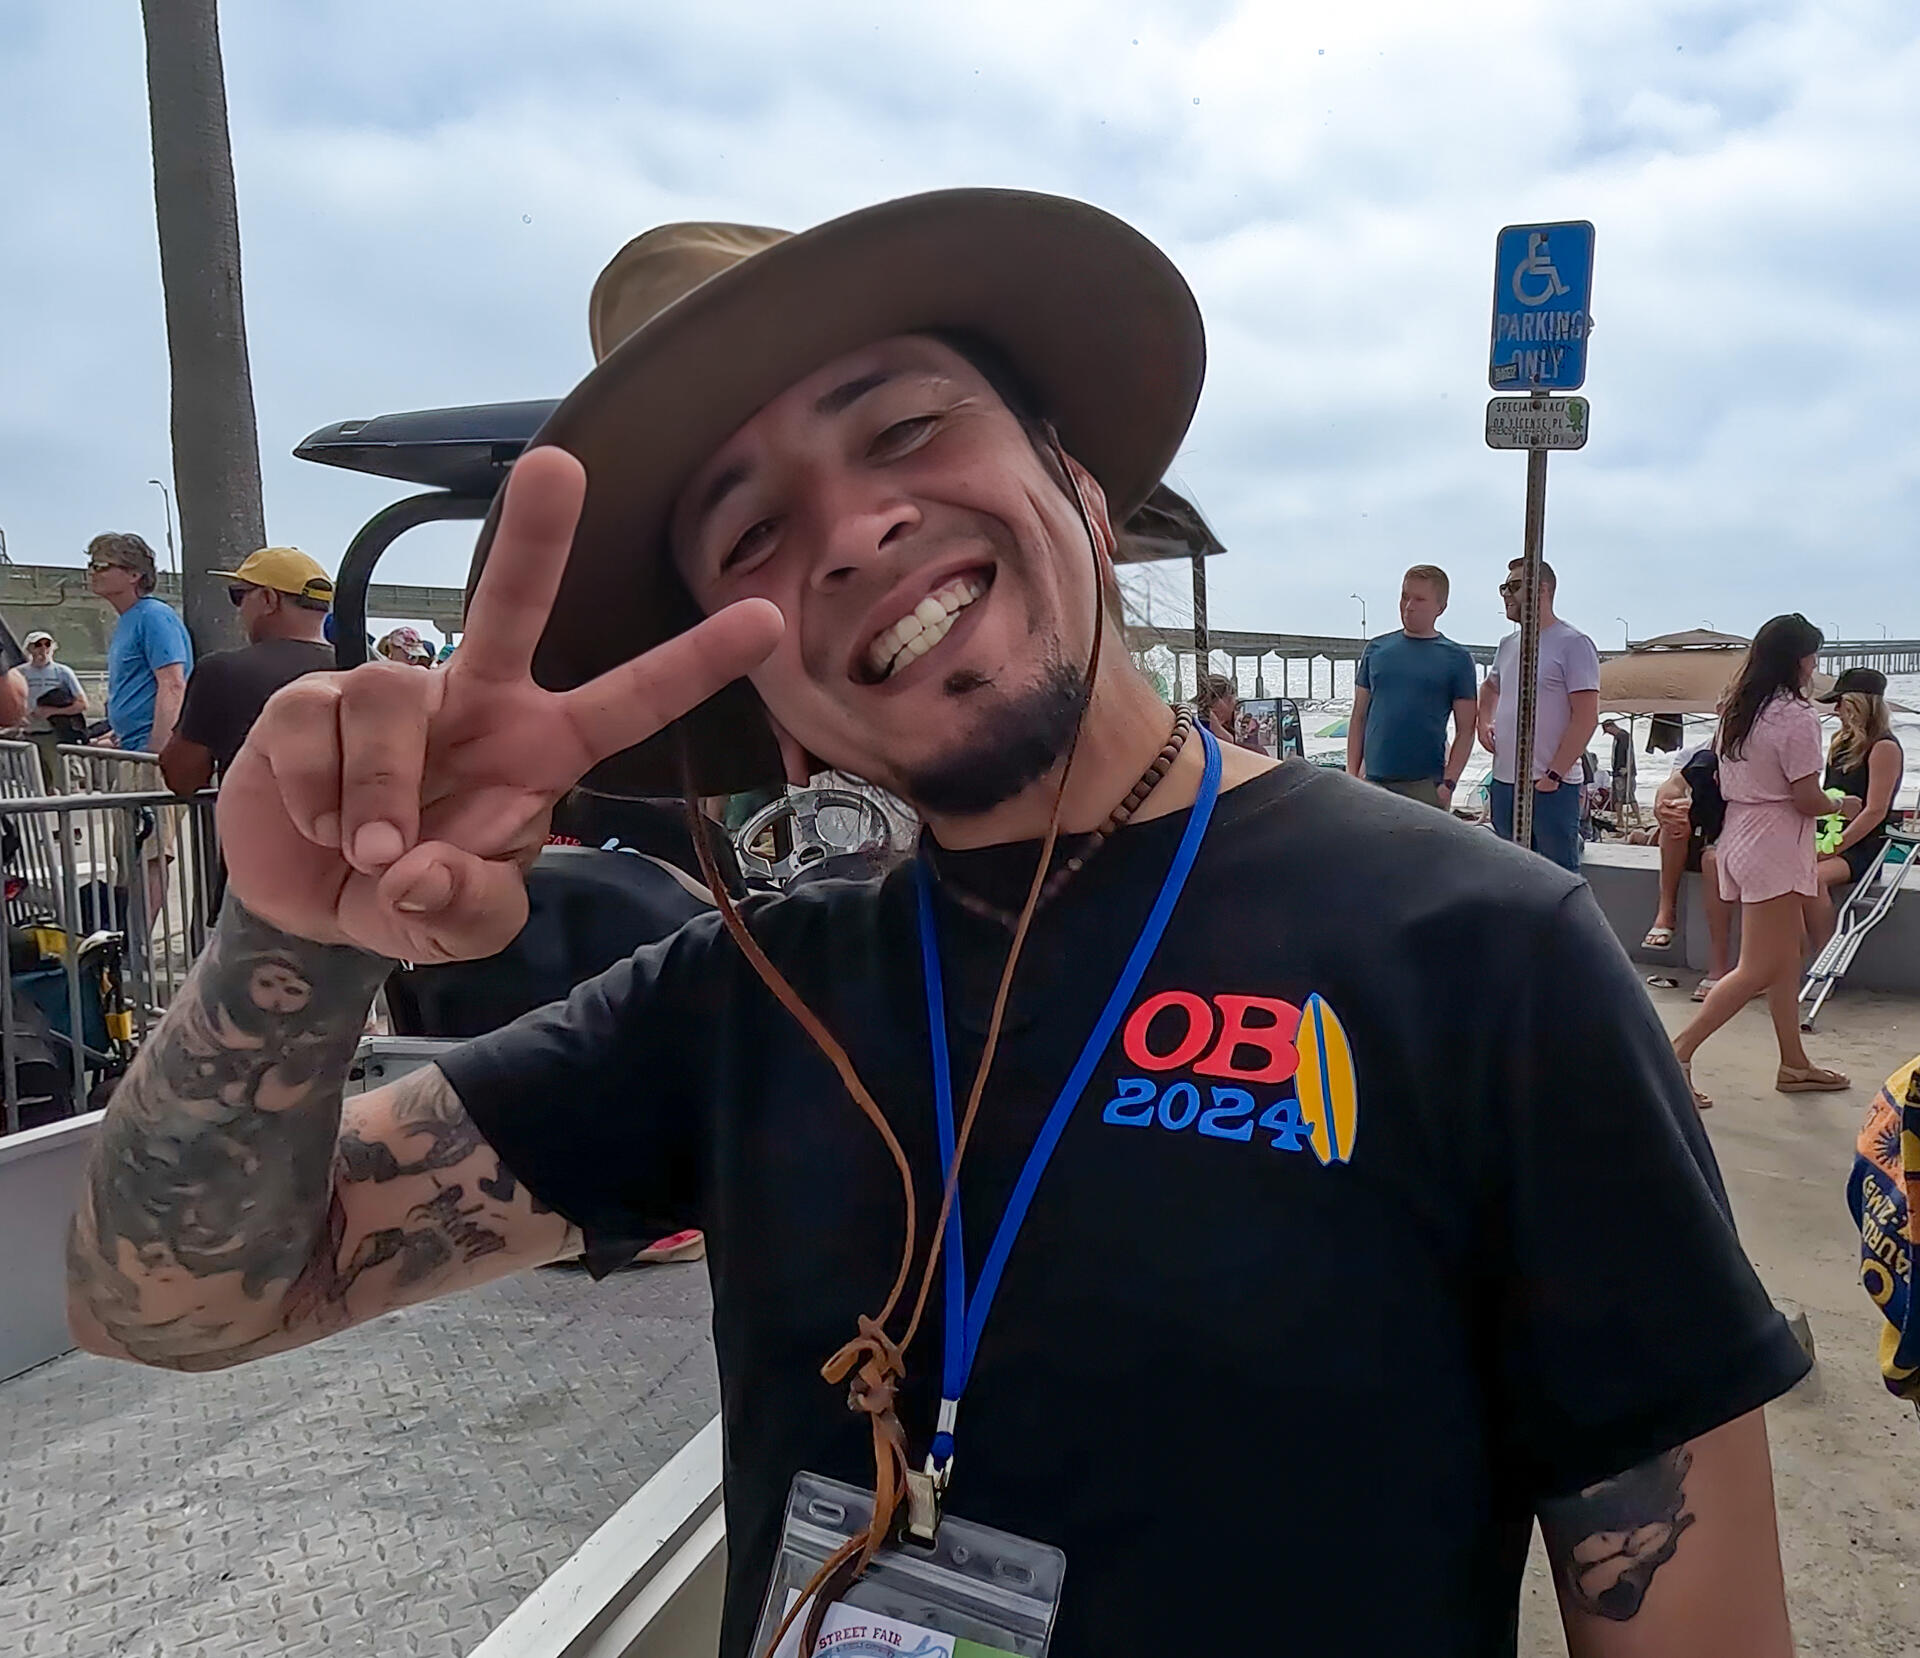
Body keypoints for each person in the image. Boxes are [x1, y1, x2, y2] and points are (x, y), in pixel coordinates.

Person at [70, 192, 1806, 1658]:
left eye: (904, 429)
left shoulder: (1484, 957)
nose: (851, 528)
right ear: (756, 678)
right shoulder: (749, 986)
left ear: (1075, 481)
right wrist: (290, 939)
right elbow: (173, 1304)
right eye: (750, 529)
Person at [1672, 614, 1848, 1107]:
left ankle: (1794, 1062)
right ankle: (1677, 1053)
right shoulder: (1797, 716)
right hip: (1776, 842)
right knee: (1758, 967)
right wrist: (1841, 805)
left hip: (1743, 834)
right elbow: (1807, 798)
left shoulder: (1739, 708)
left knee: (1783, 957)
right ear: (1801, 659)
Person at [160, 548, 338, 795]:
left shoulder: (222, 671)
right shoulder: (366, 668)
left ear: (268, 599)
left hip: (254, 827)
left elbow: (183, 777)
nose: (239, 609)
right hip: (350, 830)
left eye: (238, 595)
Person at [1477, 558, 1600, 872]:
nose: (1506, 593)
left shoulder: (1574, 644)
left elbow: (1586, 717)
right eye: (1504, 587)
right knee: (1510, 874)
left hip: (1550, 786)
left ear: (1542, 590)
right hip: (1505, 783)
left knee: (1557, 876)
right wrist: (1483, 722)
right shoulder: (1508, 645)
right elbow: (1490, 687)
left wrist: (1555, 774)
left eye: (1515, 586)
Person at [1345, 564, 1477, 808]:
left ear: (1440, 607)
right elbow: (1359, 716)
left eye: (1419, 599)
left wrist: (1448, 784)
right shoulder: (1376, 650)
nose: (1408, 606)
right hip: (1373, 782)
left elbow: (1467, 728)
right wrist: (1352, 775)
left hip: (1425, 786)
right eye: (1405, 596)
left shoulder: (1457, 659)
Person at [1808, 668, 1904, 950]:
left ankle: (1824, 957)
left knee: (1812, 881)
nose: (1836, 710)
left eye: (1841, 703)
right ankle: (1779, 961)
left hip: (1862, 845)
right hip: (1828, 834)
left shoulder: (1883, 747)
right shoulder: (1841, 743)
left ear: (1858, 704)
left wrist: (1831, 850)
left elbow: (1875, 811)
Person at [1640, 742, 1736, 1000]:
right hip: (1703, 833)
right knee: (1674, 824)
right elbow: (1673, 785)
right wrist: (1666, 806)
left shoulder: (1753, 751)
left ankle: (1718, 967)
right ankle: (1665, 911)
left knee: (1713, 862)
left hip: (1737, 837)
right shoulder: (1702, 756)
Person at [87, 531, 192, 755]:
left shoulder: (153, 616)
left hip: (147, 750)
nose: (92, 572)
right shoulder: (129, 620)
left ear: (134, 574)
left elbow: (173, 684)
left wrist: (158, 751)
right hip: (130, 745)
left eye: (102, 565)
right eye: (92, 565)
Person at [20, 629, 88, 787]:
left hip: (55, 734)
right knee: (34, 785)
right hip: (27, 734)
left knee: (62, 784)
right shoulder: (19, 673)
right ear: (29, 648)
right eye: (37, 644)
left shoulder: (63, 672)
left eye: (47, 644)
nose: (43, 649)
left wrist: (52, 711)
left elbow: (82, 704)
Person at [1602, 716, 1639, 826]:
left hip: (1625, 771)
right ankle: (1620, 820)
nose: (1609, 734)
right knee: (1618, 797)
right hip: (1618, 771)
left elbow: (1630, 753)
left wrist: (1628, 767)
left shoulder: (1624, 736)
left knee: (1629, 796)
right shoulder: (1618, 737)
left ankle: (1637, 819)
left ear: (1611, 727)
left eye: (1607, 731)